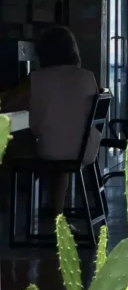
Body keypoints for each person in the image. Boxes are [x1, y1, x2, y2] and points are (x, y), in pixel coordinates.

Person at [1, 26, 99, 216]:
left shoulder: (38, 78)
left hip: (53, 151)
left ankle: (7, 210)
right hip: (86, 150)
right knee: (60, 150)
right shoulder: (88, 76)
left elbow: (7, 105)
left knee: (9, 148)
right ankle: (57, 217)